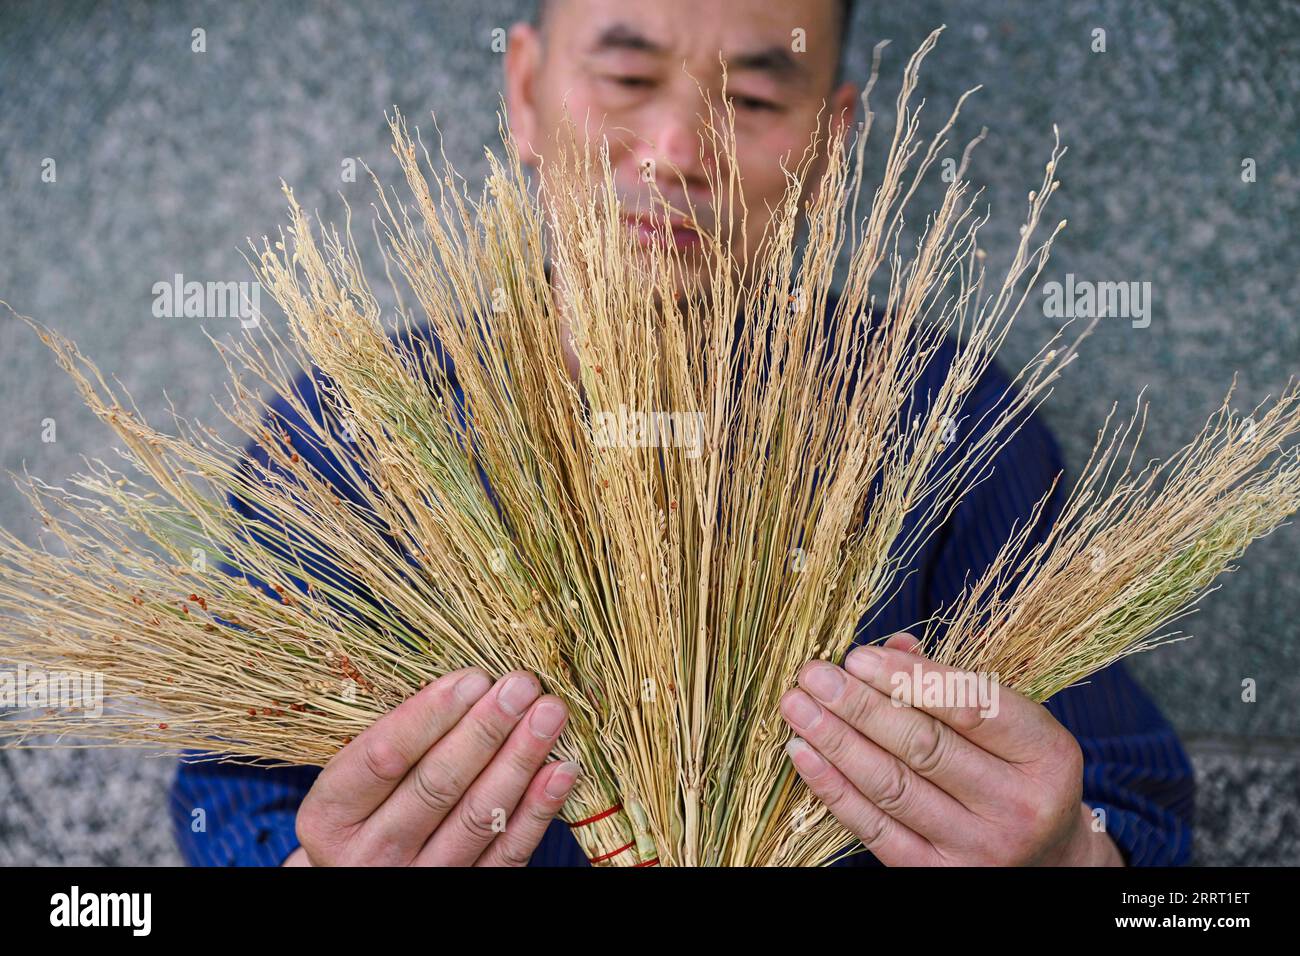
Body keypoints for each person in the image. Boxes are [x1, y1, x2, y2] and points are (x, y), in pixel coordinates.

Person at [170, 0, 1194, 867]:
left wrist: (1069, 850)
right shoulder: (357, 420)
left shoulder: (941, 412)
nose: (674, 154)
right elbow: (231, 790)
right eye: (625, 78)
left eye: (750, 101)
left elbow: (1131, 800)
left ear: (832, 142)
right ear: (524, 90)